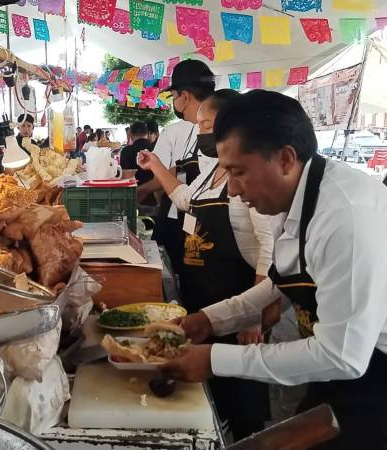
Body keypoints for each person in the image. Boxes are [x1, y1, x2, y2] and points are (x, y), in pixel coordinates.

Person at [162, 90, 387, 450]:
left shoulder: (344, 217)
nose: (233, 190)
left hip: (373, 373)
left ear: (284, 158)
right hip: (339, 366)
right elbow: (280, 280)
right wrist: (209, 320)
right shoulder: (294, 196)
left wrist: (216, 358)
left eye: (238, 173)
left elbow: (342, 356)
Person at [138, 89, 273, 440]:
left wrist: (253, 316)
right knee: (209, 387)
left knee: (241, 394)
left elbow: (269, 246)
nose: (200, 133)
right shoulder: (211, 170)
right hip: (202, 298)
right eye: (199, 126)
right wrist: (155, 164)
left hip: (237, 299)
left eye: (206, 124)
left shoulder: (244, 176)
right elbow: (184, 200)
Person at [138, 59, 215, 275]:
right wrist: (154, 164)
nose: (174, 103)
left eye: (173, 97)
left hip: (208, 230)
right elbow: (184, 185)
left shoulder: (212, 132)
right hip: (189, 219)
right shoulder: (194, 128)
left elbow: (194, 196)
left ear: (185, 96)